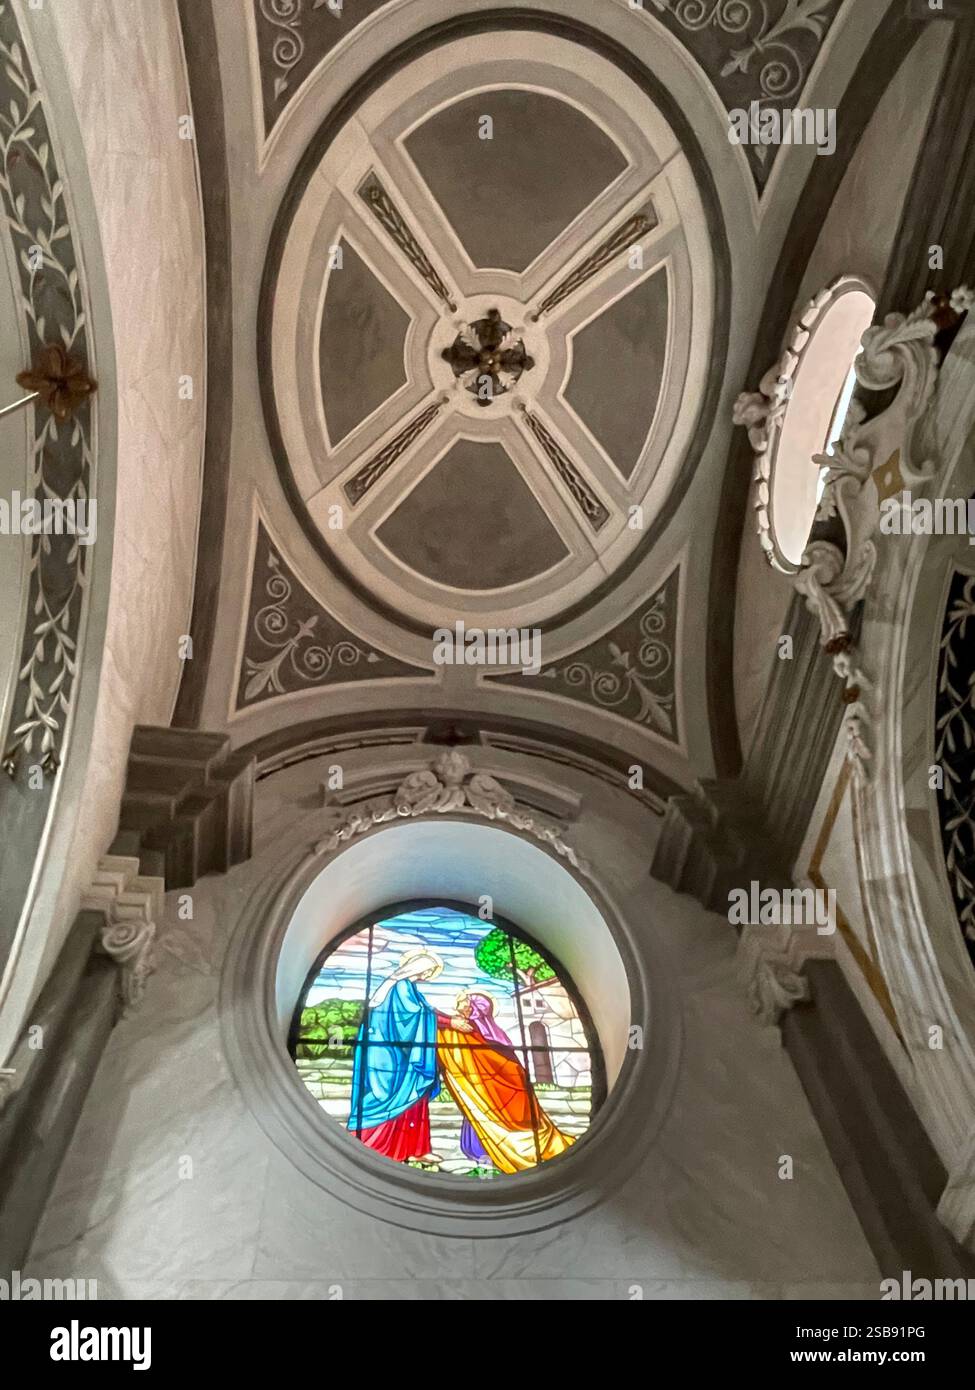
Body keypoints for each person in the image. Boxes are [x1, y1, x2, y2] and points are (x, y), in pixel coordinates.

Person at [347, 949, 443, 1163]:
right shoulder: (401, 986)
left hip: (405, 1054)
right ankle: (372, 1144)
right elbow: (411, 1016)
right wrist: (444, 1020)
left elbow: (421, 1013)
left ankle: (417, 1149)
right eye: (427, 971)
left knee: (415, 1099)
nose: (427, 976)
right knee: (390, 1095)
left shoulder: (410, 988)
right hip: (392, 1054)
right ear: (417, 968)